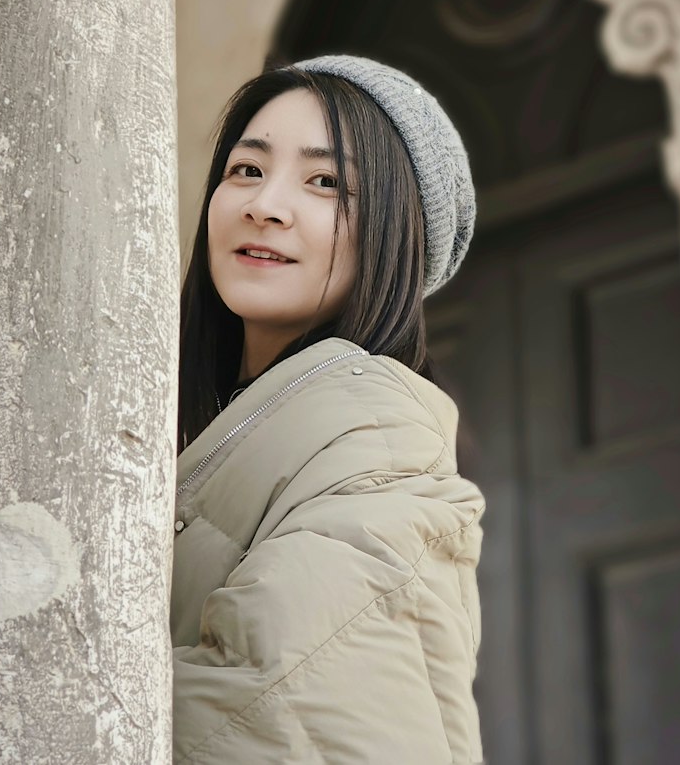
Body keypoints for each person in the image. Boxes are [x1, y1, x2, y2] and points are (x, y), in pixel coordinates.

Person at [170, 55, 485, 764]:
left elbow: (272, 711)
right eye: (246, 170)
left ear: (394, 236)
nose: (265, 204)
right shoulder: (226, 422)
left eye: (325, 182)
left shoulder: (379, 435)